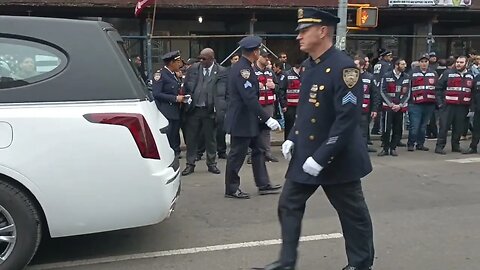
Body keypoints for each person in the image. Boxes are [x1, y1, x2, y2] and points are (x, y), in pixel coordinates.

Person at [259, 8, 374, 270]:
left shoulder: (344, 68)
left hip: (337, 156)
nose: (298, 36)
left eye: (304, 30)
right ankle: (286, 262)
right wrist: (293, 138)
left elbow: (347, 120)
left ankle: (360, 264)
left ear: (322, 31)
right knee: (289, 204)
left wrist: (322, 157)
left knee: (352, 214)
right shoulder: (310, 65)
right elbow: (307, 110)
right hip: (307, 152)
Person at [224, 36, 283, 199]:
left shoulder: (246, 67)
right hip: (242, 119)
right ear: (255, 52)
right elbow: (249, 97)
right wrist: (267, 118)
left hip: (249, 120)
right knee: (237, 154)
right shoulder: (243, 70)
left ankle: (263, 184)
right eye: (259, 50)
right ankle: (231, 188)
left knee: (259, 150)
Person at [181, 48, 226, 176]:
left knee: (210, 138)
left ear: (212, 58)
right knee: (191, 139)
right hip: (194, 110)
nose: (201, 60)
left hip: (210, 110)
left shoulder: (221, 71)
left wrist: (221, 109)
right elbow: (186, 86)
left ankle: (211, 163)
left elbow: (223, 93)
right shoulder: (194, 68)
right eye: (200, 58)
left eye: (204, 59)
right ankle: (190, 164)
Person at [435, 56, 474, 154]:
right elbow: (438, 88)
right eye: (457, 62)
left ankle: (455, 146)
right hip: (448, 106)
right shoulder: (448, 73)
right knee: (444, 127)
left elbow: (472, 92)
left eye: (461, 62)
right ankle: (439, 146)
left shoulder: (470, 75)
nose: (458, 64)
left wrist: (470, 106)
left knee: (458, 127)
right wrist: (440, 103)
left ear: (466, 64)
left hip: (462, 106)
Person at [152, 50, 185, 158]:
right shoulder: (160, 75)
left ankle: (176, 151)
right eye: (178, 62)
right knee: (169, 134)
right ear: (171, 63)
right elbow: (157, 94)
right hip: (167, 110)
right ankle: (170, 153)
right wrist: (175, 98)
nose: (179, 64)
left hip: (176, 110)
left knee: (175, 133)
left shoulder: (173, 75)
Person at [377, 59, 411, 157]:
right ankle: (385, 148)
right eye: (403, 64)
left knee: (397, 128)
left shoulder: (406, 77)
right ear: (396, 65)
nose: (405, 66)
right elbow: (382, 91)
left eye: (405, 64)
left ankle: (393, 148)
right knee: (386, 129)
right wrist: (391, 104)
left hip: (399, 107)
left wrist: (400, 105)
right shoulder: (386, 76)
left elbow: (408, 93)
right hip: (388, 107)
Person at [407, 53, 438, 151]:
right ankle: (411, 144)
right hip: (415, 104)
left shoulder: (434, 73)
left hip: (429, 104)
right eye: (422, 62)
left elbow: (437, 88)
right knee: (414, 126)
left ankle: (420, 144)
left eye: (426, 62)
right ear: (419, 63)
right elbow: (407, 88)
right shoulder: (412, 73)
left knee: (423, 126)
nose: (424, 64)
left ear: (429, 63)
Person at [254, 48, 280, 162]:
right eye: (265, 57)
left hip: (269, 104)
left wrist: (274, 86)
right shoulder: (251, 70)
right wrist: (256, 86)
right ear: (259, 57)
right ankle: (253, 154)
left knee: (267, 129)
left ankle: (267, 153)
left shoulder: (270, 72)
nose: (267, 59)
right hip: (256, 104)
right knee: (254, 128)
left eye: (267, 57)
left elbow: (280, 87)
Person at [355, 57, 380, 153]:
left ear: (361, 66)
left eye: (356, 64)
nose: (354, 66)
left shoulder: (370, 77)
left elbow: (375, 95)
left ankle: (363, 149)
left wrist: (374, 109)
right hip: (352, 109)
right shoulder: (349, 77)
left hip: (364, 110)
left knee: (363, 131)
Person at [282, 58, 303, 142]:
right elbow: (281, 90)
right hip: (289, 106)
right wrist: (284, 104)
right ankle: (287, 143)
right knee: (289, 126)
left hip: (301, 106)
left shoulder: (304, 74)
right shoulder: (287, 74)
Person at [463, 73, 480, 154]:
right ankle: (473, 147)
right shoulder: (477, 77)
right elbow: (473, 93)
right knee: (476, 129)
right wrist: (473, 107)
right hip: (478, 108)